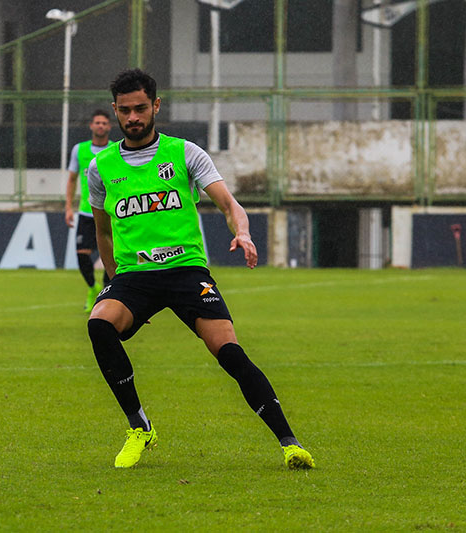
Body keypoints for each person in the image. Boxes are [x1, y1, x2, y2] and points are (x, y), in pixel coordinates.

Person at [86, 69, 314, 470]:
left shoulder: (185, 153)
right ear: (115, 112)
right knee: (99, 324)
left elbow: (228, 204)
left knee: (229, 353)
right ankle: (139, 427)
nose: (133, 117)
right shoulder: (101, 167)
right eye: (125, 110)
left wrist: (242, 232)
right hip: (135, 277)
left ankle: (290, 443)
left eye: (141, 108)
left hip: (186, 271)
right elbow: (104, 233)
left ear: (156, 105)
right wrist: (114, 279)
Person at [64, 110, 115, 312]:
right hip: (86, 212)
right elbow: (72, 179)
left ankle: (104, 292)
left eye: (104, 123)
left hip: (110, 212)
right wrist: (68, 207)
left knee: (109, 254)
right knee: (81, 254)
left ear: (109, 127)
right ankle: (92, 288)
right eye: (97, 122)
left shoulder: (116, 150)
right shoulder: (80, 150)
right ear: (91, 126)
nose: (100, 126)